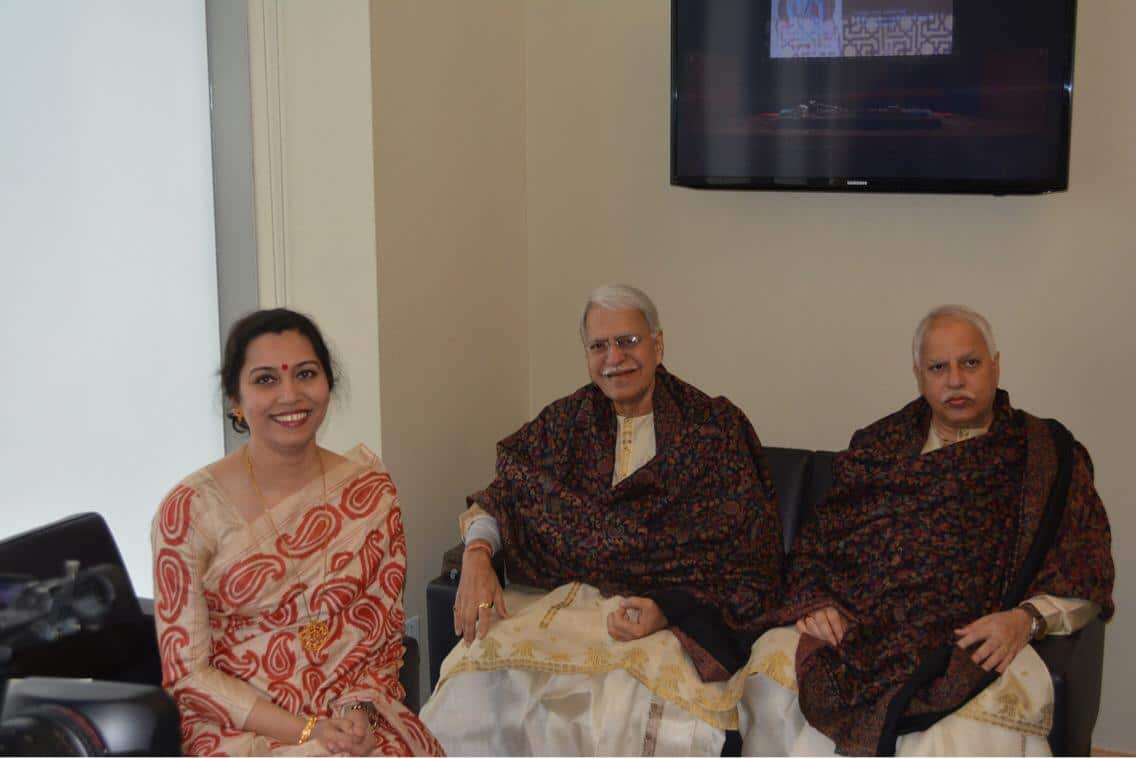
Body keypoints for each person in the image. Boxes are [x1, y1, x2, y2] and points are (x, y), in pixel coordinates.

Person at [419, 284, 784, 755]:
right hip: (563, 604)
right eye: (599, 345)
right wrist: (476, 555)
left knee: (619, 713)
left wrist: (668, 609)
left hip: (660, 618)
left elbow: (748, 555)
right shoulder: (566, 423)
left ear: (658, 344)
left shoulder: (712, 428)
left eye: (628, 341)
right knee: (478, 687)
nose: (615, 357)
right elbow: (504, 493)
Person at [740, 305, 1115, 756]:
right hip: (866, 631)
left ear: (996, 365)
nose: (955, 380)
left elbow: (1084, 562)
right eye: (939, 367)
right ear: (920, 375)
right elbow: (818, 542)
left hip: (974, 639)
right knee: (771, 666)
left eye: (970, 363)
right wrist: (818, 601)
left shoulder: (1045, 456)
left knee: (949, 738)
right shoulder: (877, 448)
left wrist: (1027, 619)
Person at [151, 308, 443, 756]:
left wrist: (357, 715)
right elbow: (188, 677)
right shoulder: (188, 511)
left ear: (328, 384)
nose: (290, 395)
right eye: (266, 380)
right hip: (238, 727)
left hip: (351, 717)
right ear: (235, 398)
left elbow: (381, 643)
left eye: (306, 374)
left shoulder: (368, 492)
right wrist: (307, 732)